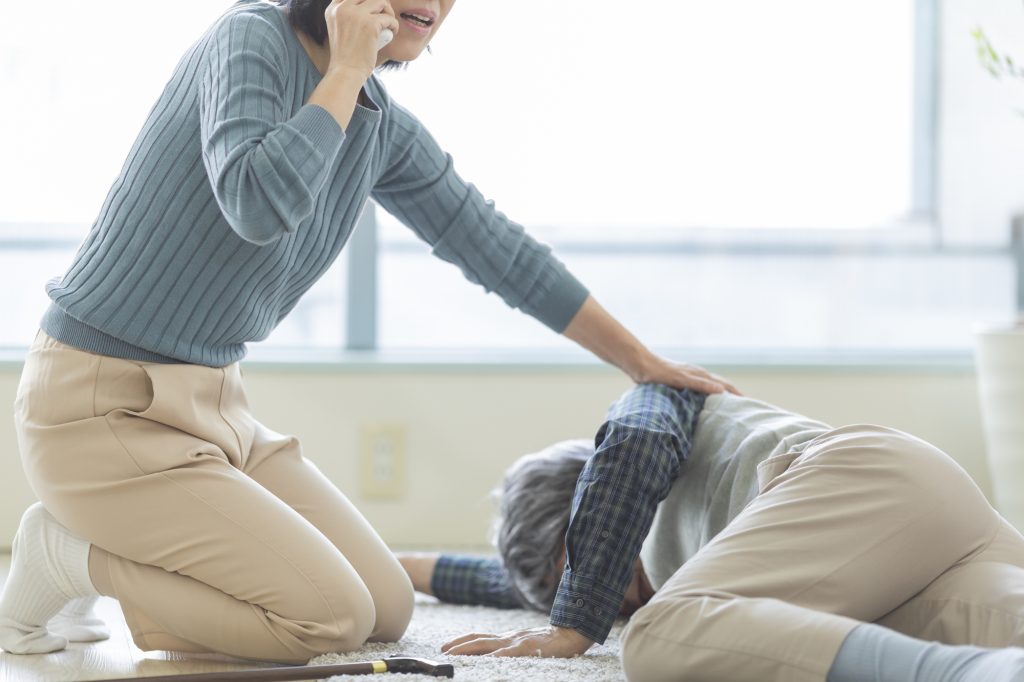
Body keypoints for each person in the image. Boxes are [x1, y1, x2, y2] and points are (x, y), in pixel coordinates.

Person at [0, 0, 737, 663]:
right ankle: (68, 557)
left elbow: (495, 248)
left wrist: (641, 362)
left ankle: (107, 553)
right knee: (326, 620)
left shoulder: (376, 124)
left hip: (216, 410)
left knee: (383, 608)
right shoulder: (248, 38)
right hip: (100, 407)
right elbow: (256, 204)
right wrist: (347, 64)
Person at [399, 385, 1024, 682]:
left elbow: (630, 450)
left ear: (587, 500)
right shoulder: (665, 571)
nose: (616, 600)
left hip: (857, 469)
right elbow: (499, 582)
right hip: (926, 534)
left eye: (577, 568)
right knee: (988, 621)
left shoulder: (653, 411)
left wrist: (574, 624)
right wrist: (388, 567)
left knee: (661, 636)